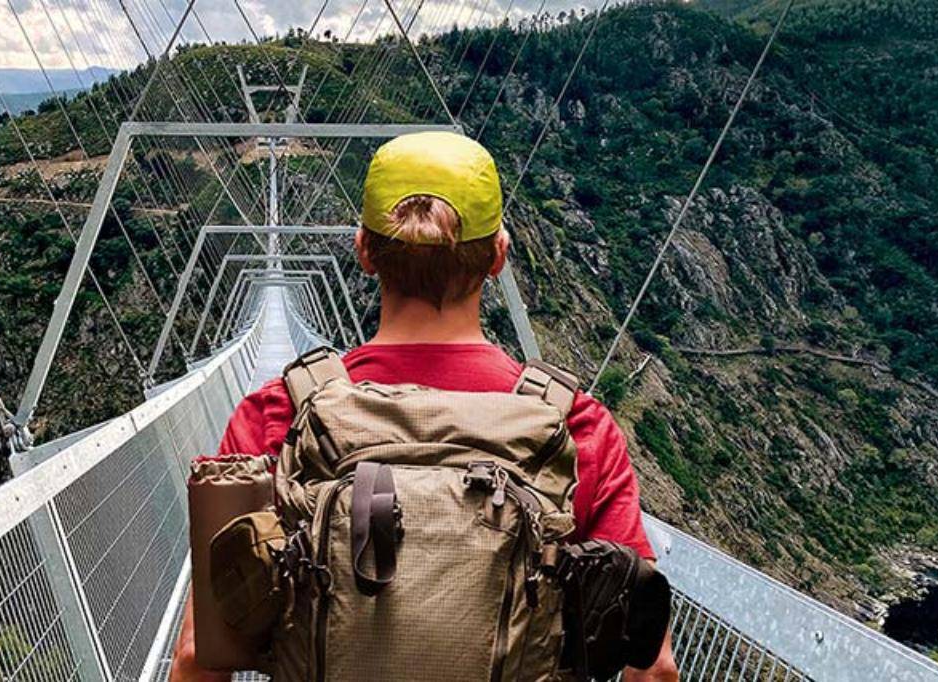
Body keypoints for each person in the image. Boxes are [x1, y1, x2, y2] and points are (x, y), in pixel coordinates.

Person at [172, 131, 678, 681]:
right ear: (499, 256)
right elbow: (653, 669)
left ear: (364, 251)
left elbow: (201, 654)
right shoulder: (574, 424)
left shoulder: (280, 412)